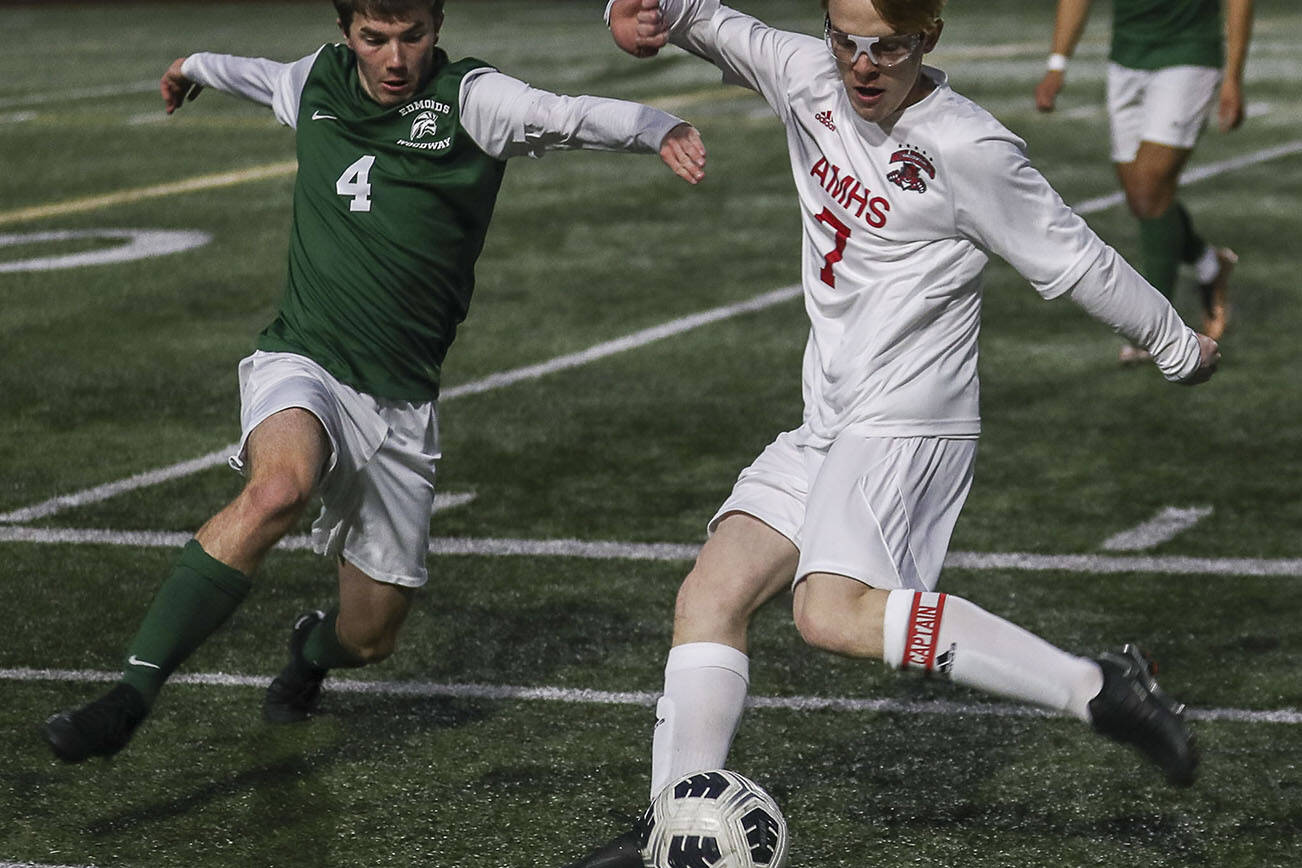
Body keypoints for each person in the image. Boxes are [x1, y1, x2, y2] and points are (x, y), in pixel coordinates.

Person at [567, 0, 1219, 864]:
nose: (864, 63)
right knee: (710, 597)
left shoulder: (968, 147)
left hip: (913, 419)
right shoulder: (806, 76)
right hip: (829, 417)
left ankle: (1101, 688)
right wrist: (634, 10)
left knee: (828, 614)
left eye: (890, 47)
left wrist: (1177, 344)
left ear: (929, 40)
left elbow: (1076, 258)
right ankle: (673, 826)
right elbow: (702, 19)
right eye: (848, 41)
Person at [41, 0, 707, 764]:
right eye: (374, 39)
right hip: (305, 360)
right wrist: (190, 66)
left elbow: (565, 113)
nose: (395, 59)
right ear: (346, 35)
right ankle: (130, 695)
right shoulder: (316, 80)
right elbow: (254, 75)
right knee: (277, 490)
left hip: (400, 406)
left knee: (369, 637)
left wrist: (658, 127)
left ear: (437, 27)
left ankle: (309, 653)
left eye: (413, 37)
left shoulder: (472, 100)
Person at [1034, 0, 1253, 364]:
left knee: (1150, 188)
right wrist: (1057, 64)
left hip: (1189, 53)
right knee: (1142, 199)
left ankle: (1154, 334)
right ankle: (1209, 264)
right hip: (1126, 58)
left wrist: (1234, 76)